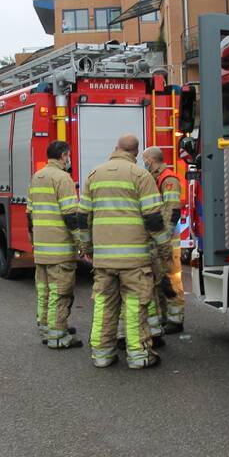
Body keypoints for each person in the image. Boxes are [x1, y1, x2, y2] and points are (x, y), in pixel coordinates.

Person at [77, 134, 172, 369]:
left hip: (104, 259)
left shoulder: (94, 175)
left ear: (116, 148)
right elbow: (154, 219)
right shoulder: (141, 176)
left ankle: (102, 354)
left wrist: (87, 247)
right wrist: (164, 250)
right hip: (134, 260)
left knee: (104, 305)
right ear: (136, 153)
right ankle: (139, 355)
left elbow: (83, 217)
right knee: (135, 305)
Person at [26, 140, 83, 350]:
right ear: (63, 155)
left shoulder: (37, 176)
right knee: (60, 293)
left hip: (42, 247)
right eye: (68, 156)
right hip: (60, 248)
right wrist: (82, 242)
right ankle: (58, 336)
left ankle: (46, 328)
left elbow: (29, 213)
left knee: (44, 292)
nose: (69, 160)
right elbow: (70, 215)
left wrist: (33, 238)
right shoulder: (63, 178)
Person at [142, 146, 185, 335]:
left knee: (170, 280)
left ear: (151, 160)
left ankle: (176, 319)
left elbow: (172, 210)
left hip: (167, 241)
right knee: (159, 280)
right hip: (159, 240)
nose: (144, 163)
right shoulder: (155, 178)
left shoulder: (169, 180)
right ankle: (164, 316)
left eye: (145, 160)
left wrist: (164, 239)